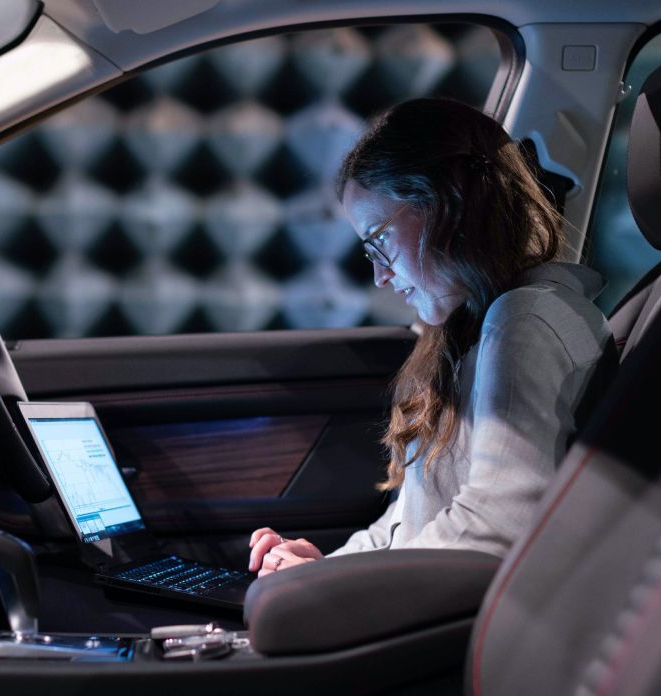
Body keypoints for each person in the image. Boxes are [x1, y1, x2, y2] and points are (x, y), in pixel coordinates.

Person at [249, 97, 611, 577]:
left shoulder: (524, 320)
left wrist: (339, 590)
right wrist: (320, 572)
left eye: (379, 241)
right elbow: (404, 525)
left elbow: (498, 525)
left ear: (449, 206)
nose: (379, 276)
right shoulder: (467, 330)